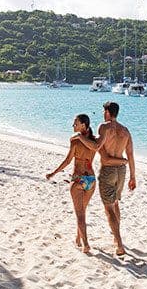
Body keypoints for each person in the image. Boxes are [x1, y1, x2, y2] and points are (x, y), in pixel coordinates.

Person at [74, 101, 135, 256]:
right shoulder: (126, 131)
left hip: (108, 170)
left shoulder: (104, 127)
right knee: (115, 203)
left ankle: (119, 243)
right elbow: (130, 155)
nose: (102, 114)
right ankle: (116, 239)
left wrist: (81, 138)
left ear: (107, 113)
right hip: (122, 170)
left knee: (108, 208)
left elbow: (97, 147)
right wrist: (133, 176)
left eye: (103, 111)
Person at [46, 114, 98, 254]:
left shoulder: (75, 141)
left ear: (83, 125)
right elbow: (98, 148)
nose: (73, 126)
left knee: (80, 214)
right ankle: (78, 239)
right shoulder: (94, 141)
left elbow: (67, 161)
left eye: (75, 123)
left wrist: (53, 173)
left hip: (78, 179)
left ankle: (86, 244)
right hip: (91, 180)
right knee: (83, 211)